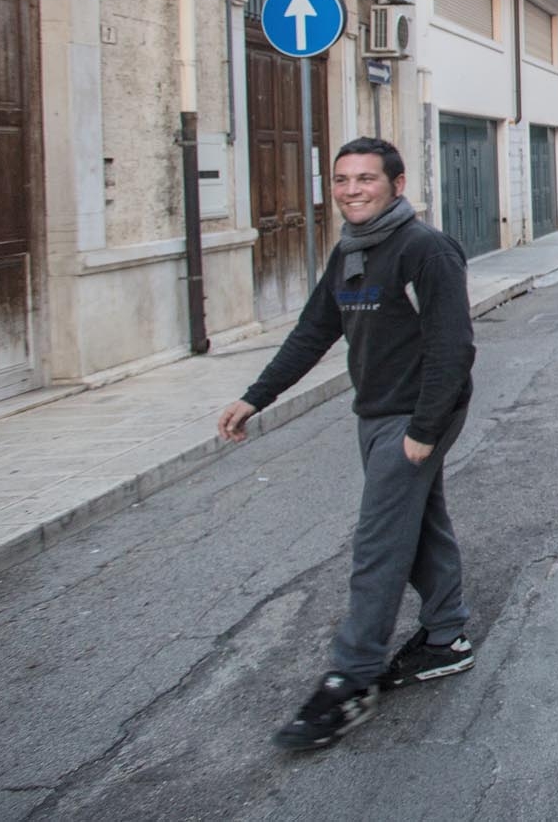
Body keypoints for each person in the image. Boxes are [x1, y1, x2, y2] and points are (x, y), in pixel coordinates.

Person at [215, 136, 478, 751]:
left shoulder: (425, 249)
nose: (352, 190)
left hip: (414, 415)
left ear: (397, 183)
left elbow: (453, 347)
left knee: (378, 544)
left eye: (366, 178)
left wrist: (423, 431)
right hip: (376, 411)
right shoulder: (351, 252)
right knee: (419, 524)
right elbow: (313, 332)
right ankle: (446, 637)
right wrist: (257, 396)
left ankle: (349, 679)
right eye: (342, 180)